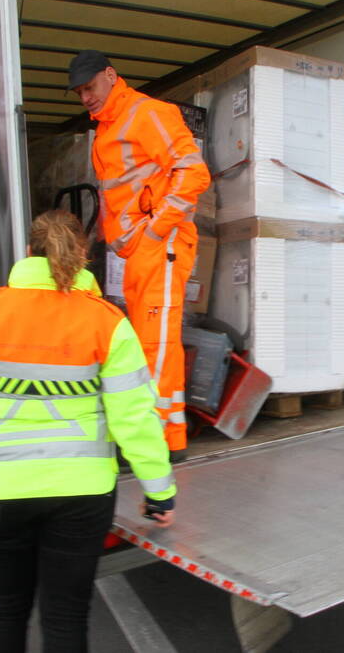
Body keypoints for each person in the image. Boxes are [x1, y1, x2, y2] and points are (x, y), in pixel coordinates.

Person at [0, 211, 176, 652]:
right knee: (66, 616)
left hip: (0, 492)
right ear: (83, 256)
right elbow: (135, 417)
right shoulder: (107, 321)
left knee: (5, 609)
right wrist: (158, 490)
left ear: (28, 253)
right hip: (82, 494)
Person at [69, 49, 211, 463]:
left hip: (158, 247)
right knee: (144, 346)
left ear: (111, 76)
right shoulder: (107, 129)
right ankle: (155, 438)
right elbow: (116, 196)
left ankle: (164, 445)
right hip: (135, 253)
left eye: (90, 87)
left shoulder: (146, 113)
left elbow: (194, 173)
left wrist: (156, 229)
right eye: (79, 92)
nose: (85, 97)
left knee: (157, 345)